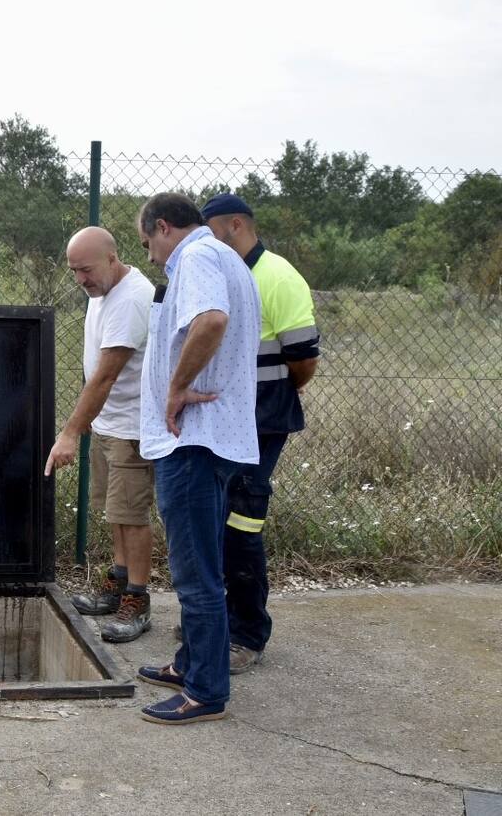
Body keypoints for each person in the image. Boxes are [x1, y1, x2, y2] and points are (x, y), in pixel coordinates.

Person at [133, 193, 260, 725]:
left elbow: (210, 321)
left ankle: (206, 691)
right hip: (213, 438)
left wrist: (177, 387)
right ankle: (190, 665)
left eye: (148, 245)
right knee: (201, 559)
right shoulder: (227, 257)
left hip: (193, 439)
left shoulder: (198, 257)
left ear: (164, 227)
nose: (153, 258)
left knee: (194, 572)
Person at [200, 193, 320, 672]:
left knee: (243, 520)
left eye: (209, 230)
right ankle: (219, 620)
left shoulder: (277, 277)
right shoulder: (223, 273)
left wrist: (266, 393)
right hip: (224, 418)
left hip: (264, 420)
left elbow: (303, 361)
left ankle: (247, 633)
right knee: (214, 517)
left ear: (234, 226)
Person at [45, 226, 156, 642]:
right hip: (108, 422)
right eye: (74, 271)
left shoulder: (131, 299)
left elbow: (107, 375)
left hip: (131, 427)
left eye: (86, 270)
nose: (81, 280)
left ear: (112, 258)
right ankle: (119, 580)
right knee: (114, 513)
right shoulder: (102, 291)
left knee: (131, 515)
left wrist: (71, 431)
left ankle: (138, 600)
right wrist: (90, 421)